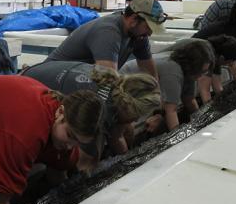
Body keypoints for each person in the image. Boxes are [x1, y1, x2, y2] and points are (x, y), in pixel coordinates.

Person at [0, 75, 103, 204]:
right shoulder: (23, 137)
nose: (69, 146)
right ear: (60, 112)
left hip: (5, 112)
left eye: (78, 143)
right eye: (70, 135)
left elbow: (58, 175)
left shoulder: (62, 129)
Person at [21, 62, 160, 158]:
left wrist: (127, 159)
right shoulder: (100, 109)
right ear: (127, 106)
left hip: (33, 73)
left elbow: (117, 135)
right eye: (136, 115)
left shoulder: (116, 83)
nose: (136, 120)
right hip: (28, 94)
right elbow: (86, 161)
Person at [43, 0, 166, 78]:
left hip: (75, 79)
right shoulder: (108, 32)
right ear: (133, 19)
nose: (150, 33)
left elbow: (149, 73)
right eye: (148, 27)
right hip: (53, 78)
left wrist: (158, 104)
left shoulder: (138, 35)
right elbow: (108, 80)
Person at [121, 39, 212, 133]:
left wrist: (202, 122)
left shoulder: (189, 73)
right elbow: (171, 111)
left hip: (147, 90)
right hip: (126, 86)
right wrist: (178, 138)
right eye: (199, 72)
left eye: (203, 72)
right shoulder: (173, 71)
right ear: (191, 66)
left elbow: (189, 100)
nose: (200, 76)